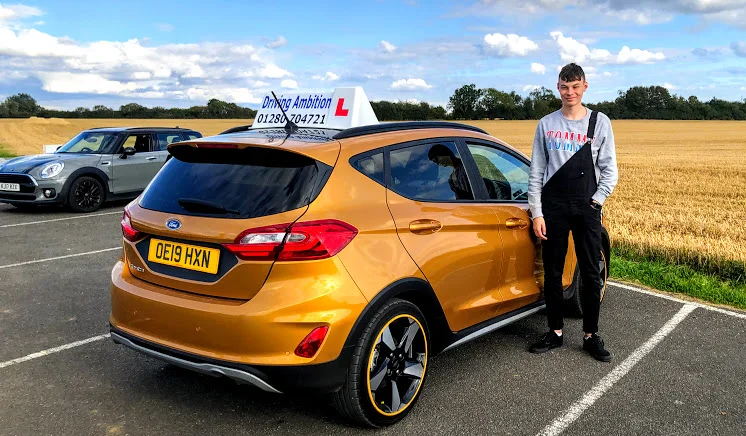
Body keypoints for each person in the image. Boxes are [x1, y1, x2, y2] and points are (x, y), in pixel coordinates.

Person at [527, 63, 618, 362]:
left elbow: (610, 171)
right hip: (553, 207)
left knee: (591, 273)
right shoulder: (546, 124)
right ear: (558, 87)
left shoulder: (599, 122)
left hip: (586, 207)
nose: (570, 92)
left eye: (575, 87)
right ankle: (555, 332)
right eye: (565, 87)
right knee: (552, 272)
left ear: (584, 87)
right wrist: (537, 212)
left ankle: (591, 335)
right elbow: (537, 171)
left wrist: (596, 202)